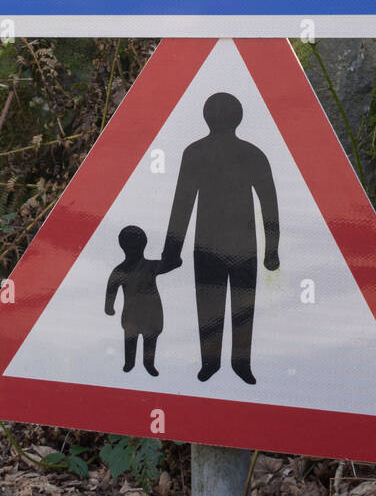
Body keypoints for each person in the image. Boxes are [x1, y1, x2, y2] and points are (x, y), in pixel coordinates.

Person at [161, 92, 279, 384]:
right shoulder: (252, 153)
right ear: (238, 117)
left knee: (213, 307)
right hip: (238, 247)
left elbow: (181, 206)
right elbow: (270, 206)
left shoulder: (196, 153)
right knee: (240, 308)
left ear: (206, 117)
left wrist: (171, 252)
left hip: (212, 246)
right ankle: (230, 365)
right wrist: (272, 250)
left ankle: (216, 364)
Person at [104, 225, 167, 376]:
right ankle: (129, 363)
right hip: (134, 313)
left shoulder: (150, 266)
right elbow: (111, 289)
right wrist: (109, 307)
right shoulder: (122, 270)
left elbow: (172, 264)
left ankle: (148, 364)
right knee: (131, 338)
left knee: (149, 338)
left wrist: (173, 255)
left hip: (150, 313)